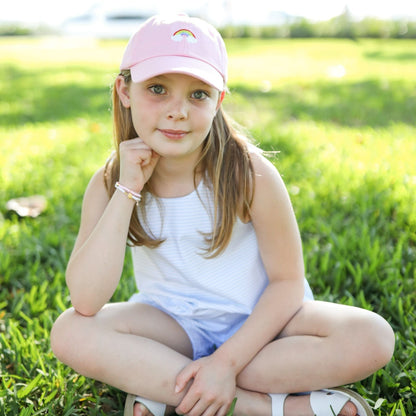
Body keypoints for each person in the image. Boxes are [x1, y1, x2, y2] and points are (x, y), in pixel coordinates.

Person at [50, 14, 395, 416]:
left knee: (372, 336)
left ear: (219, 101)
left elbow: (287, 283)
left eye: (198, 94)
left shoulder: (249, 172)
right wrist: (128, 189)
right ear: (124, 91)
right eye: (157, 89)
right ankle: (261, 407)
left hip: (264, 331)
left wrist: (227, 362)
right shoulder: (109, 182)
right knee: (70, 331)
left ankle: (165, 388)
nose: (177, 111)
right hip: (173, 327)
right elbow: (87, 300)